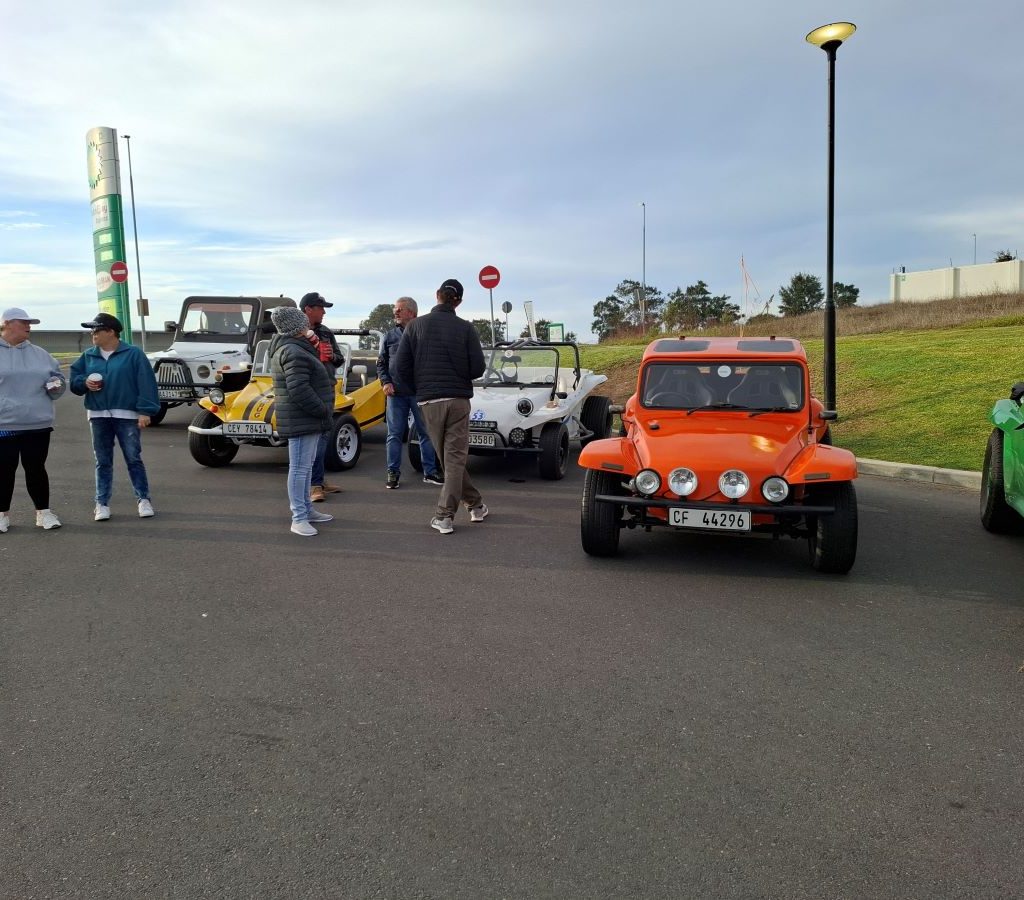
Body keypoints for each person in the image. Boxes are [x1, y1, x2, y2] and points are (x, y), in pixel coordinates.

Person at [394, 278, 488, 534]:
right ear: (458, 301)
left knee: (450, 460)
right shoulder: (466, 329)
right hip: (458, 400)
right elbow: (478, 368)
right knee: (453, 460)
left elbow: (399, 367)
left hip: (429, 401)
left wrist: (419, 388)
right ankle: (471, 507)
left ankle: (451, 513)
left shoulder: (415, 327)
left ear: (437, 295)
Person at [69, 313, 160, 521]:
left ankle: (143, 499)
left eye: (97, 330)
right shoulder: (88, 356)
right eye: (91, 330)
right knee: (102, 461)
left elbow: (146, 383)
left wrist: (145, 411)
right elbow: (75, 380)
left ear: (111, 332)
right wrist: (84, 383)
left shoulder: (134, 354)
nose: (93, 334)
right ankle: (101, 503)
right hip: (97, 414)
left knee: (133, 458)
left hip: (127, 415)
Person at [268, 306, 335, 537]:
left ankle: (306, 509)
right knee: (299, 468)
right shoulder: (293, 351)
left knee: (304, 467)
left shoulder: (295, 348)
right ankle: (298, 517)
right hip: (303, 418)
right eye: (303, 321)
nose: (308, 324)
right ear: (296, 327)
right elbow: (299, 389)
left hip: (305, 418)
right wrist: (322, 410)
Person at [0, 307, 66, 532]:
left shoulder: (41, 354)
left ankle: (44, 513)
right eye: (23, 322)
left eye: (30, 323)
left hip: (37, 424)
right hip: (4, 425)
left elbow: (57, 380)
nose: (29, 326)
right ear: (7, 323)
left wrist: (57, 385)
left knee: (36, 468)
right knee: (4, 470)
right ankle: (2, 515)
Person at [376, 296, 442, 490]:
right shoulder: (389, 336)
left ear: (412, 313)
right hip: (395, 394)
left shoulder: (424, 334)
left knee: (426, 433)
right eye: (395, 309)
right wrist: (385, 382)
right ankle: (393, 473)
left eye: (400, 309)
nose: (395, 312)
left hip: (420, 393)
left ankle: (429, 472)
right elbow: (381, 363)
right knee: (394, 435)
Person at [299, 292, 344, 502]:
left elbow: (339, 359)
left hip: (327, 388)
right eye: (321, 307)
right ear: (308, 309)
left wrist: (331, 356)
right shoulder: (296, 332)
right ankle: (313, 485)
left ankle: (319, 479)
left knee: (324, 435)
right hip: (308, 390)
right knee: (311, 437)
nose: (324, 311)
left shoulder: (326, 332)